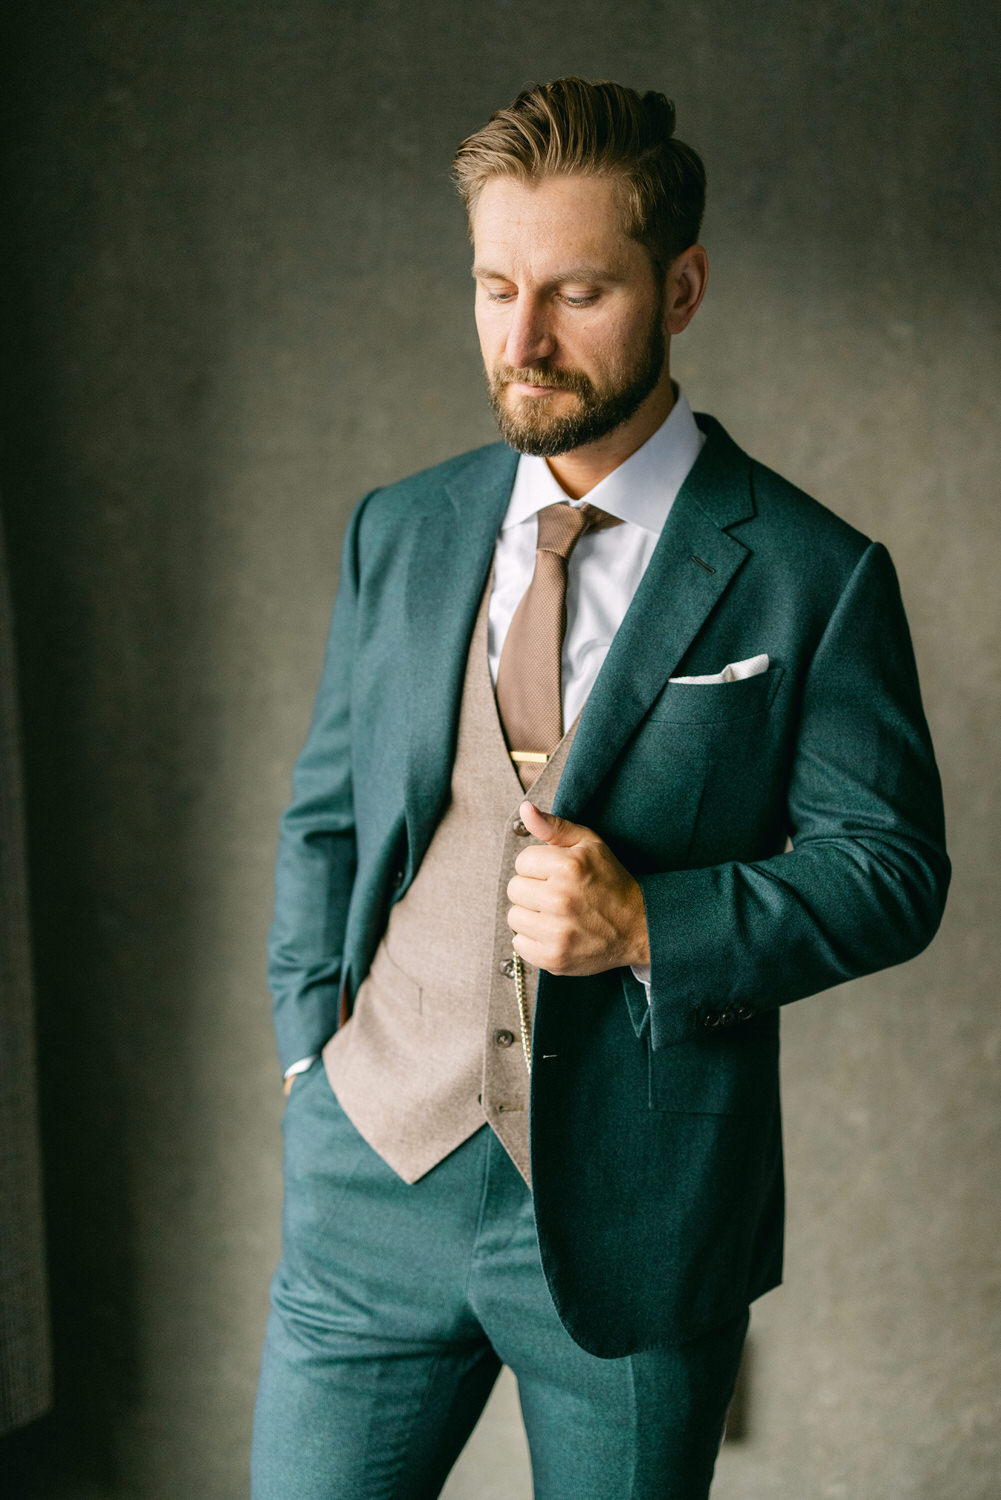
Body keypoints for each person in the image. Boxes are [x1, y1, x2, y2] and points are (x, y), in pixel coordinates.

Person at [250, 77, 949, 1500]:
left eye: (574, 291)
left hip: (639, 1216)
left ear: (678, 286)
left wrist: (647, 927)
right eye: (494, 287)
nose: (522, 340)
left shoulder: (813, 573)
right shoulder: (402, 526)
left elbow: (890, 868)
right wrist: (305, 1050)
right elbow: (330, 808)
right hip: (368, 1176)